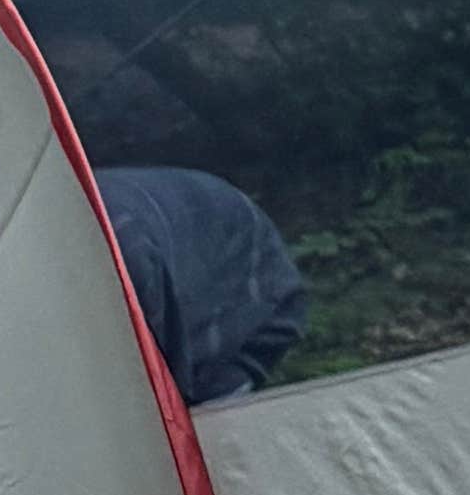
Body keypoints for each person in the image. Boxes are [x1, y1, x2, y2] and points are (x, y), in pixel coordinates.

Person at [96, 166, 310, 406]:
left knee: (195, 417)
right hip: (171, 236)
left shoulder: (122, 253)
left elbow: (158, 385)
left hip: (249, 271)